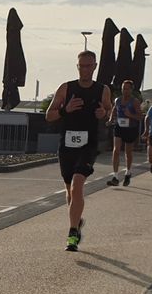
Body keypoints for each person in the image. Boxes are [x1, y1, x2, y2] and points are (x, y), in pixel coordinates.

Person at [45, 49, 111, 252]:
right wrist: (66, 110)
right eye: (81, 66)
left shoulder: (102, 89)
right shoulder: (66, 88)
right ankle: (77, 221)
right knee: (69, 191)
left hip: (88, 145)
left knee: (77, 185)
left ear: (95, 66)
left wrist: (103, 113)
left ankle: (72, 233)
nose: (85, 69)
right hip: (67, 145)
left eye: (89, 65)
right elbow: (49, 116)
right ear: (78, 66)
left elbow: (108, 112)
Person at [106, 79, 141, 187]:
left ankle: (128, 172)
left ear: (131, 90)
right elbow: (114, 110)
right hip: (119, 126)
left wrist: (130, 115)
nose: (124, 91)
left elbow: (139, 117)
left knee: (128, 152)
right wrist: (111, 119)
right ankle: (115, 176)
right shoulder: (118, 100)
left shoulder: (135, 102)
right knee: (116, 150)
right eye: (123, 89)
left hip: (130, 128)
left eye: (127, 89)